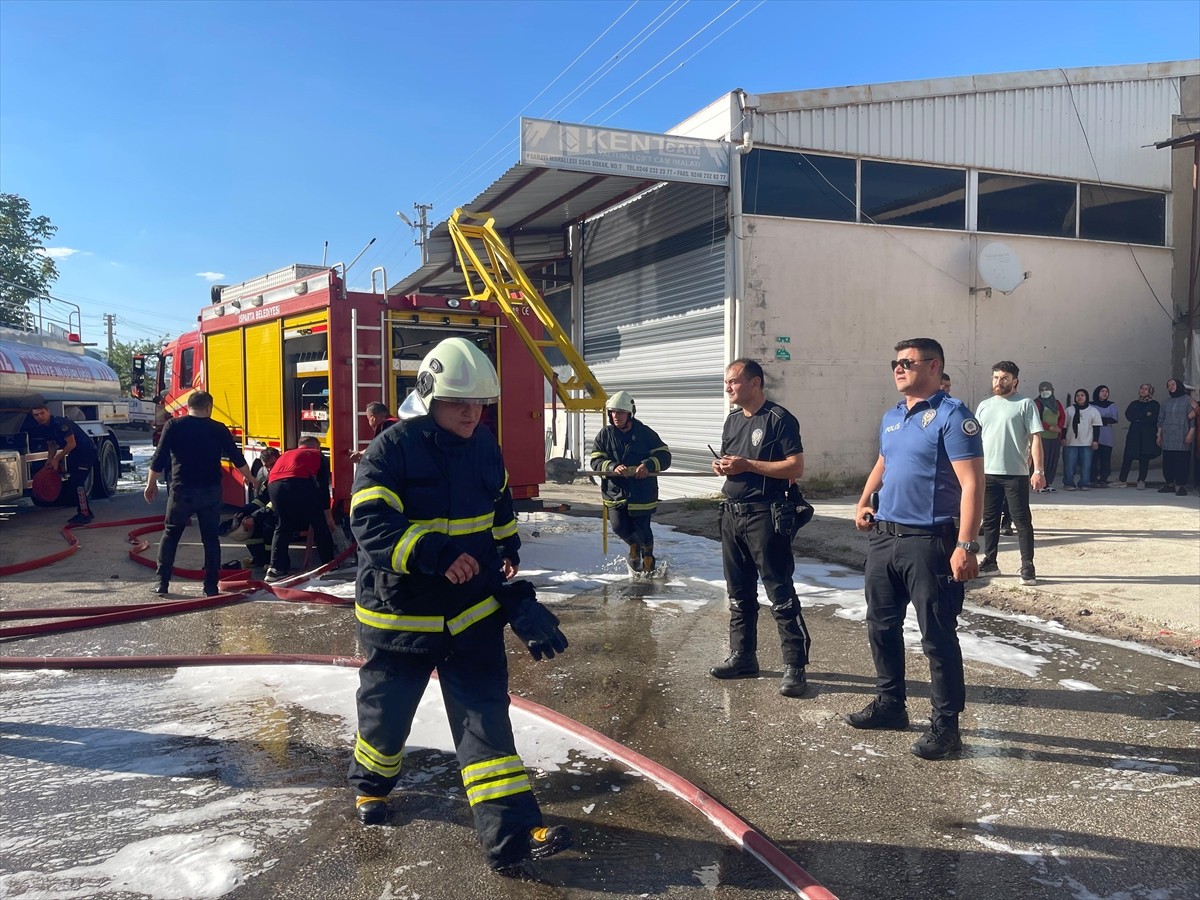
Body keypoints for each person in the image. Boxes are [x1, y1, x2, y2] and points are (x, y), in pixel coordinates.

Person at [347, 336, 572, 874]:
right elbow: (370, 523)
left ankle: (514, 834)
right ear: (429, 398)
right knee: (387, 714)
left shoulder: (483, 445)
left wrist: (508, 551)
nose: (472, 413)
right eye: (458, 402)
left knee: (485, 720)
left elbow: (498, 505)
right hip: (401, 615)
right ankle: (371, 785)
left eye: (479, 404)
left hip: (470, 614)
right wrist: (432, 552)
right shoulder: (392, 449)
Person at [847, 338, 983, 760]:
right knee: (880, 628)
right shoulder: (892, 417)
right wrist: (866, 497)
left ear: (934, 365)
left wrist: (966, 543)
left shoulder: (953, 417)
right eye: (895, 362)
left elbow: (973, 484)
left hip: (930, 543)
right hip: (885, 540)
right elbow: (884, 462)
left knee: (937, 638)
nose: (899, 369)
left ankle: (946, 727)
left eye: (907, 362)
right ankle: (891, 705)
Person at [708, 358, 812, 699]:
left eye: (733, 381)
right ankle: (743, 656)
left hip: (765, 516)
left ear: (755, 383)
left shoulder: (779, 419)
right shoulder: (732, 421)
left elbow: (795, 466)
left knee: (779, 593)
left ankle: (795, 666)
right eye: (726, 382)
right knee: (738, 593)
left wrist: (747, 464)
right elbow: (733, 463)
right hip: (732, 515)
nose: (728, 388)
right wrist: (723, 467)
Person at [145, 390, 254, 596]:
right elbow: (236, 457)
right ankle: (210, 587)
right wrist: (253, 478)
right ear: (209, 408)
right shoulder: (219, 429)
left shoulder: (174, 425)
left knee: (170, 535)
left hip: (181, 490)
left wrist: (151, 484)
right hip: (210, 492)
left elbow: (159, 457)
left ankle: (162, 582)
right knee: (211, 539)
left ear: (188, 406)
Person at [975, 361, 1045, 586]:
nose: (998, 382)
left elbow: (1035, 439)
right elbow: (975, 440)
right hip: (988, 473)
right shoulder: (984, 406)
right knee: (990, 521)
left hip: (1016, 473)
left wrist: (1038, 471)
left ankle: (1027, 565)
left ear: (1015, 380)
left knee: (1022, 521)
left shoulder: (1025, 404)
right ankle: (990, 561)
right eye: (995, 377)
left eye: (1004, 378)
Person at [589, 390, 672, 573]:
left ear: (630, 413)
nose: (615, 416)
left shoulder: (645, 433)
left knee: (642, 528)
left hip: (641, 493)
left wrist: (648, 465)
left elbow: (664, 456)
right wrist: (611, 467)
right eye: (612, 412)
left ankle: (648, 559)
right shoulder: (605, 435)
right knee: (619, 526)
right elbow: (595, 461)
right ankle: (633, 546)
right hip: (615, 493)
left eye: (620, 412)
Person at [265, 437, 336, 579]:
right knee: (319, 524)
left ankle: (275, 569)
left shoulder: (286, 454)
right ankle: (330, 565)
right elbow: (323, 488)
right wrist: (328, 516)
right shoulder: (317, 454)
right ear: (316, 446)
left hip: (274, 485)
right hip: (299, 482)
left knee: (282, 526)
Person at [29, 402, 97, 525]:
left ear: (48, 411)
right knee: (73, 483)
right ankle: (85, 512)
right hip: (74, 454)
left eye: (42, 413)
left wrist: (57, 459)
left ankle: (84, 514)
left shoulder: (61, 423)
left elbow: (72, 443)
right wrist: (49, 461)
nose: (40, 417)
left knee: (78, 483)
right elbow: (52, 447)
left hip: (86, 451)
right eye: (36, 415)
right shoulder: (44, 427)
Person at [1157, 377, 1196, 496]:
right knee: (1168, 461)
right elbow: (1160, 420)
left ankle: (1181, 486)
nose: (1171, 387)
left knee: (1181, 461)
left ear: (1179, 385)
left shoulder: (1188, 400)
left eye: (1173, 385)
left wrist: (1191, 433)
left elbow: (1193, 419)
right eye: (1168, 385)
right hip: (1168, 436)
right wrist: (1159, 435)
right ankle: (1169, 484)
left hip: (1182, 435)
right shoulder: (1166, 402)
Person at [1119, 383, 1161, 489]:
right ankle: (1122, 480)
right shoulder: (1134, 403)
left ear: (1150, 391)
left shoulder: (1154, 404)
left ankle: (1141, 480)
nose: (1143, 390)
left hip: (1147, 435)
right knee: (1128, 456)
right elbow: (1129, 416)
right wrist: (1145, 414)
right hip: (1134, 434)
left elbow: (1153, 418)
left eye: (1146, 389)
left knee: (1144, 457)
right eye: (1141, 388)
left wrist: (1139, 417)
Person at [1060, 389, 1102, 491]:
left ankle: (1084, 483)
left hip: (1087, 443)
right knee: (1069, 465)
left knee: (1086, 465)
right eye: (1077, 395)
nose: (1080, 397)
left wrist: (1095, 440)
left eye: (1082, 395)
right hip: (1071, 443)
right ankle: (1068, 483)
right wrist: (1063, 438)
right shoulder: (1069, 410)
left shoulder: (1093, 411)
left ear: (1086, 397)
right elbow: (1064, 426)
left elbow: (1096, 427)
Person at [1033, 382, 1065, 492]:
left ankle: (1048, 483)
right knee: (1042, 461)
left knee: (1053, 460)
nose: (1045, 391)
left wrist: (1059, 427)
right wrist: (1049, 427)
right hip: (1042, 437)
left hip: (1055, 438)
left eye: (1047, 389)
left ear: (1052, 390)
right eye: (1042, 389)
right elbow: (1035, 419)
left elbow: (1062, 416)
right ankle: (1038, 485)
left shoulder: (1056, 403)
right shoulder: (1037, 403)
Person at [1090, 385, 1119, 486]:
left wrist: (1098, 419)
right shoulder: (1091, 405)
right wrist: (1104, 419)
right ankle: (1092, 478)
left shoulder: (1111, 405)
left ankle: (1103, 478)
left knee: (1105, 458)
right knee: (1093, 458)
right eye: (1102, 391)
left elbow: (1114, 419)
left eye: (1107, 391)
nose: (1105, 393)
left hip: (1106, 436)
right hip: (1093, 435)